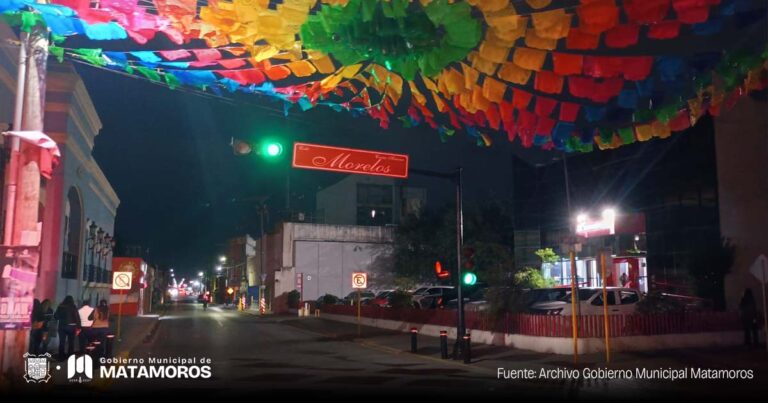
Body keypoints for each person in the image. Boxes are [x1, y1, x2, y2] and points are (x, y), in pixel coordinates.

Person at [54, 296, 80, 360]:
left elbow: (56, 316)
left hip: (62, 326)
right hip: (71, 327)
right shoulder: (73, 307)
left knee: (62, 342)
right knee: (71, 342)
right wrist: (78, 326)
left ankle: (61, 356)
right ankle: (70, 356)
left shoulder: (60, 306)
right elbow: (77, 317)